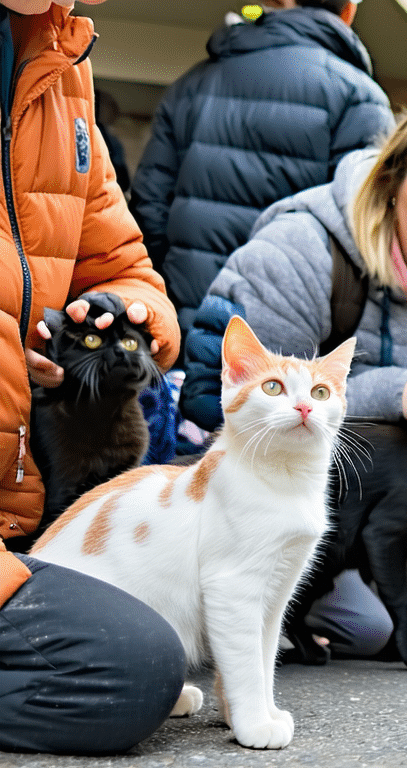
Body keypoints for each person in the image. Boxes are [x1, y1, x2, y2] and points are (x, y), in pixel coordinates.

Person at [181, 85, 407, 655]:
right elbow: (226, 410)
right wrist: (398, 394)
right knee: (367, 626)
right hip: (269, 488)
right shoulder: (301, 248)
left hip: (387, 497)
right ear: (392, 181)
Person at [1, 0, 186, 754]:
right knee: (126, 670)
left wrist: (131, 315)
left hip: (21, 506)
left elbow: (126, 267)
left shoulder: (63, 63)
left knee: (145, 657)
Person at [130, 0, 393, 351]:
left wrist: (168, 287)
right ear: (348, 12)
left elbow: (149, 205)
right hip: (289, 332)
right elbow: (364, 229)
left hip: (186, 319)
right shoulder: (360, 98)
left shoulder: (193, 84)